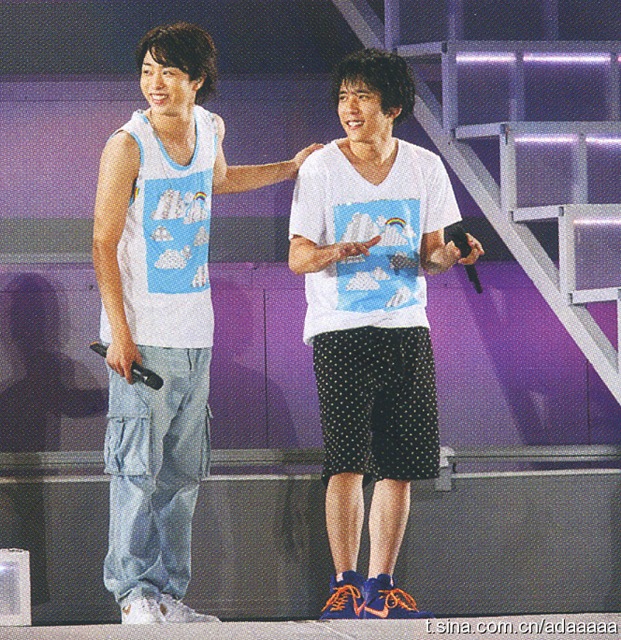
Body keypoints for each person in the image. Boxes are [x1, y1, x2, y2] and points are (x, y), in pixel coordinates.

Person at [92, 22, 319, 625]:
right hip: (143, 334)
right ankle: (133, 594)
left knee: (183, 474)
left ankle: (167, 593)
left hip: (196, 331)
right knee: (136, 470)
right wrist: (120, 332)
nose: (155, 82)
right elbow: (102, 241)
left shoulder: (210, 127)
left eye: (168, 71)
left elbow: (218, 181)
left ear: (196, 80)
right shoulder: (127, 144)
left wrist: (289, 167)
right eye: (148, 70)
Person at [288, 48, 483, 620]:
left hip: (405, 325)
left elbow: (430, 256)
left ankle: (381, 586)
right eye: (344, 96)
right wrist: (336, 251)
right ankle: (344, 584)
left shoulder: (424, 166)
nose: (350, 108)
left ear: (392, 107)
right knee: (347, 459)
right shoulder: (321, 168)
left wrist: (453, 256)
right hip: (340, 329)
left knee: (402, 462)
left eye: (363, 97)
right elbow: (298, 257)